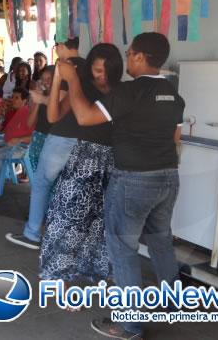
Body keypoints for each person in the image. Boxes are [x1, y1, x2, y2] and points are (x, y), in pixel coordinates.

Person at [58, 33, 184, 340]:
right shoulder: (173, 94)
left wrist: (73, 80)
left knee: (123, 250)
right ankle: (172, 302)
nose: (127, 59)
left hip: (134, 181)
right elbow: (175, 141)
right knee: (160, 239)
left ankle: (129, 325)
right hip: (168, 177)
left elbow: (86, 117)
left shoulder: (129, 91)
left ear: (141, 57)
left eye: (130, 54)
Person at [39, 44, 123, 288]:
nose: (102, 76)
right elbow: (53, 116)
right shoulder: (82, 88)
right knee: (67, 221)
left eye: (108, 71)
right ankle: (58, 278)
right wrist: (58, 79)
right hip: (83, 159)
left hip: (113, 163)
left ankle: (97, 271)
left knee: (102, 223)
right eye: (97, 70)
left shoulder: (120, 92)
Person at [6, 37, 85, 249]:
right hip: (83, 138)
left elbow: (55, 112)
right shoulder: (85, 68)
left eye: (56, 45)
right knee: (64, 188)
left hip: (61, 135)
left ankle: (33, 233)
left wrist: (41, 99)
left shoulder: (68, 69)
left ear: (63, 46)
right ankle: (60, 234)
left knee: (42, 183)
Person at [26, 65, 54, 171]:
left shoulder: (61, 97)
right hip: (38, 138)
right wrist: (38, 101)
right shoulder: (39, 96)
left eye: (49, 79)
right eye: (43, 79)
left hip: (53, 141)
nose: (45, 82)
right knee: (38, 177)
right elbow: (29, 123)